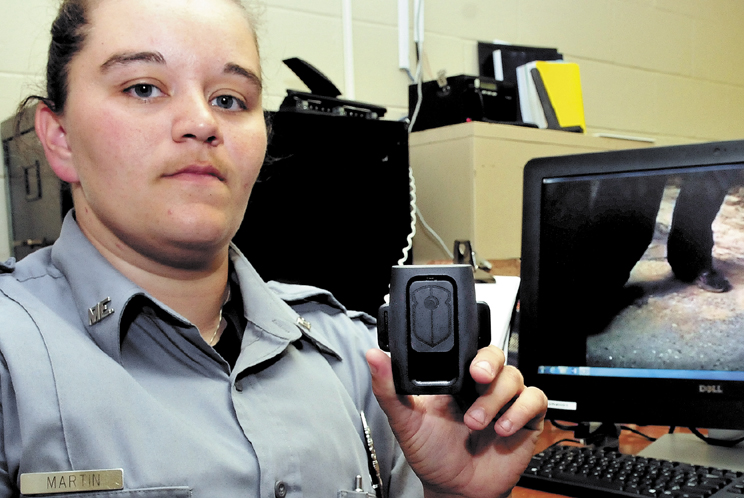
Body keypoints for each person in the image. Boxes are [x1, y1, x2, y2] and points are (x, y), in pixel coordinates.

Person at [0, 0, 547, 497]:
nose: (201, 122)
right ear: (59, 139)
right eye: (143, 87)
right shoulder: (12, 363)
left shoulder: (359, 363)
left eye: (230, 99)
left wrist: (453, 493)